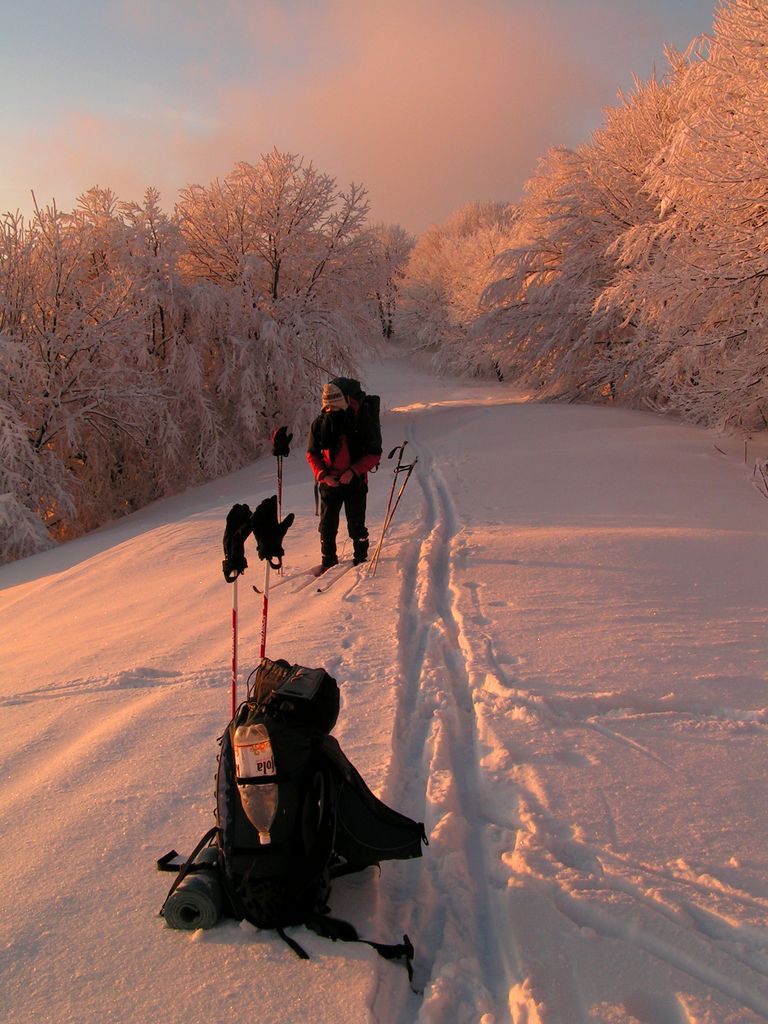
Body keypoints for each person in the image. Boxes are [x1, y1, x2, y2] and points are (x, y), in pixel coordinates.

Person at [306, 380, 381, 570]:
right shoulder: (319, 425)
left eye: (335, 406)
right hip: (329, 483)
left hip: (355, 483)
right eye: (327, 407)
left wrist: (353, 471)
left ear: (344, 403)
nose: (331, 410)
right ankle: (328, 560)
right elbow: (312, 454)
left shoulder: (359, 422)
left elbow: (374, 454)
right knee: (327, 527)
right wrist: (323, 475)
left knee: (356, 525)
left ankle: (361, 559)